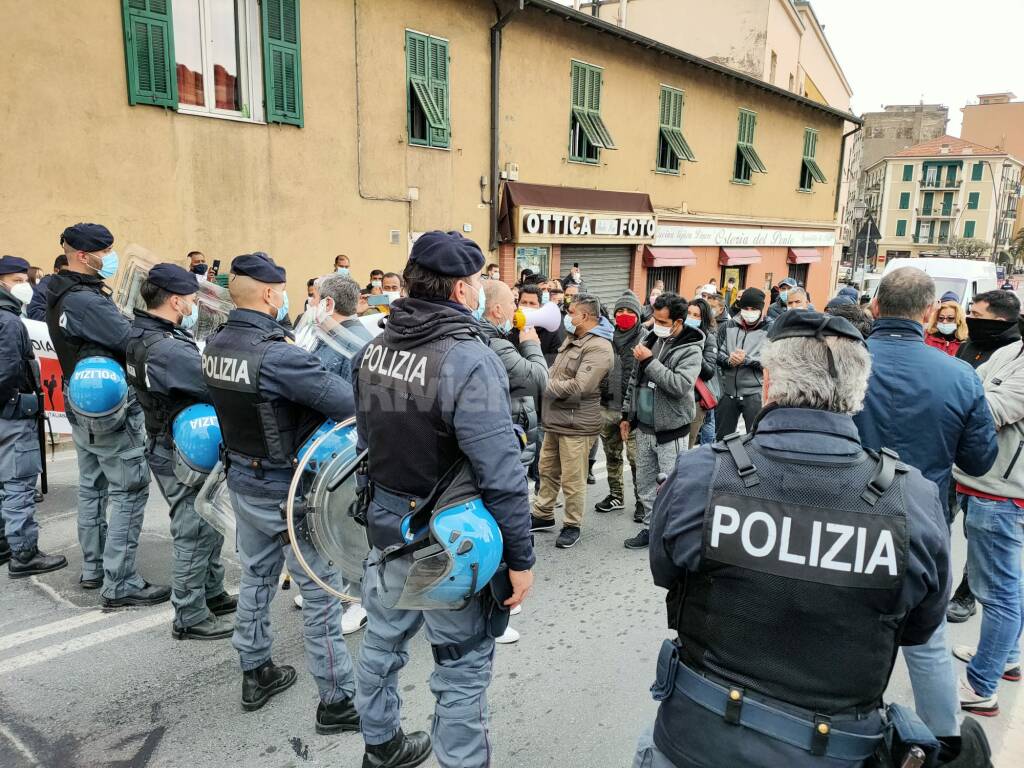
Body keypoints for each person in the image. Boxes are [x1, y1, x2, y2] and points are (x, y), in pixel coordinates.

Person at [634, 310, 951, 768]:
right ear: (858, 395)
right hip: (835, 750)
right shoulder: (913, 498)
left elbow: (666, 570)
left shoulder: (702, 472)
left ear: (768, 386)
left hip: (695, 741)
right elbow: (920, 627)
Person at [352, 231, 534, 768]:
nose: (479, 290)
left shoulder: (374, 349)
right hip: (450, 544)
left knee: (382, 647)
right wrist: (521, 559)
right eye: (476, 282)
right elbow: (500, 472)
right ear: (459, 290)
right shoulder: (468, 359)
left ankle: (380, 747)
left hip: (386, 529)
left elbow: (365, 442)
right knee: (460, 669)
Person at [202, 252, 361, 732]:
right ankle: (336, 702)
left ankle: (255, 672)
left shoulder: (215, 344)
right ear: (271, 294)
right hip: (289, 491)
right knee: (320, 597)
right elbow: (347, 402)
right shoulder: (279, 354)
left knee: (255, 579)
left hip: (242, 481)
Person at [854, 267, 997, 740]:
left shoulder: (847, 361)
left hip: (846, 515)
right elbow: (978, 461)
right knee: (928, 642)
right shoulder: (960, 375)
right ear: (929, 312)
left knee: (840, 628)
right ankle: (944, 741)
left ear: (875, 307)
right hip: (920, 522)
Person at [46, 223, 168, 605]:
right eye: (106, 250)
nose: (110, 257)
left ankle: (95, 567)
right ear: (84, 256)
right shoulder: (86, 301)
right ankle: (121, 582)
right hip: (109, 402)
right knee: (129, 488)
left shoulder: (59, 290)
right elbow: (129, 340)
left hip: (81, 398)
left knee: (92, 483)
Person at [124, 264, 235, 640]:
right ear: (174, 300)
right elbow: (212, 384)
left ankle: (212, 593)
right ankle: (189, 615)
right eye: (190, 299)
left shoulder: (143, 334)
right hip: (181, 448)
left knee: (207, 521)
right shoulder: (167, 348)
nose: (193, 304)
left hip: (168, 441)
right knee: (195, 529)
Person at [951, 332, 1024, 716]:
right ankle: (1006, 658)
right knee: (1009, 585)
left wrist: (962, 392)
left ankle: (982, 685)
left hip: (1002, 493)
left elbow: (990, 410)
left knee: (997, 592)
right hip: (986, 482)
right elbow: (976, 385)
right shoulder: (1014, 350)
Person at [295, 273, 371, 635]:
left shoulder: (351, 343)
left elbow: (348, 402)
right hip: (323, 450)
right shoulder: (333, 336)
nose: (309, 306)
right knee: (324, 521)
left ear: (327, 303)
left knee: (344, 523)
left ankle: (358, 599)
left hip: (343, 452)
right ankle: (334, 585)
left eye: (313, 299)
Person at [948, 290, 1022, 624]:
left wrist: (959, 399)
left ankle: (986, 672)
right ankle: (1004, 658)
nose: (970, 320)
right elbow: (964, 386)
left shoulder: (1013, 352)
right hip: (962, 467)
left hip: (999, 483)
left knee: (996, 584)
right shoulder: (989, 349)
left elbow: (991, 409)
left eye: (978, 315)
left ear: (1000, 320)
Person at [480, 278, 546, 646]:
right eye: (514, 303)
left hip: (509, 435)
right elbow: (539, 378)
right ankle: (500, 603)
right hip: (508, 441)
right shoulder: (497, 342)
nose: (519, 310)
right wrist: (531, 340)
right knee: (506, 515)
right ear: (497, 311)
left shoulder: (487, 337)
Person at [530, 294, 613, 549]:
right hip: (556, 419)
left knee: (573, 478)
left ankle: (572, 524)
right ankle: (543, 513)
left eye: (571, 311)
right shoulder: (575, 338)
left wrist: (544, 383)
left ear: (585, 316)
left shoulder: (599, 347)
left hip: (577, 425)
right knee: (547, 470)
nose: (567, 315)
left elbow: (581, 386)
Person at [0, 256, 66, 576]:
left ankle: (5, 543)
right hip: (12, 413)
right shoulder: (9, 321)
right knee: (19, 484)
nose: (25, 285)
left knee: (4, 483)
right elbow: (9, 371)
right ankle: (24, 554)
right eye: (18, 279)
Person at [621, 292, 703, 549]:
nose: (657, 324)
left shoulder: (690, 348)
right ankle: (650, 528)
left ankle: (673, 532)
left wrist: (650, 361)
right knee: (645, 484)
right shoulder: (650, 339)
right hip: (644, 426)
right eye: (655, 319)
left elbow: (679, 386)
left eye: (663, 321)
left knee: (671, 486)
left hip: (671, 429)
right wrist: (627, 415)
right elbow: (634, 381)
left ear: (678, 322)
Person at [595, 291, 644, 520]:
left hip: (635, 410)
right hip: (607, 405)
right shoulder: (606, 337)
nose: (624, 315)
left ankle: (643, 501)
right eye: (620, 311)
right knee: (612, 454)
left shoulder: (647, 338)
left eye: (629, 311)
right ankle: (616, 495)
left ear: (638, 314)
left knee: (636, 459)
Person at [715, 288, 770, 439]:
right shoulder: (728, 326)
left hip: (755, 394)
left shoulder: (770, 329)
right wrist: (729, 360)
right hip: (727, 391)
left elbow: (771, 361)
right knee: (722, 439)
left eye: (753, 309)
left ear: (760, 309)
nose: (749, 311)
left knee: (757, 437)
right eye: (746, 308)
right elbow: (716, 352)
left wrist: (747, 360)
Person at [957, 290, 1022, 368]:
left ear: (999, 322)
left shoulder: (1015, 355)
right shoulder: (970, 342)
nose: (969, 318)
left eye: (976, 314)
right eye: (970, 313)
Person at [687, 298, 720, 447]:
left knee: (686, 446)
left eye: (696, 315)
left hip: (695, 400)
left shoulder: (709, 339)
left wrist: (694, 349)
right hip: (675, 397)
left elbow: (709, 373)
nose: (691, 318)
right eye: (689, 313)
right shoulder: (677, 333)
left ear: (703, 319)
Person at [518, 284, 564, 365]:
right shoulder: (511, 329)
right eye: (524, 302)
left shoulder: (550, 331)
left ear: (539, 306)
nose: (527, 306)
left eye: (532, 303)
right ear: (518, 304)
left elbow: (557, 357)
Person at [27, 254, 67, 321]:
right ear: (56, 270)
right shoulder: (44, 286)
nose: (71, 275)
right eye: (66, 272)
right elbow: (35, 313)